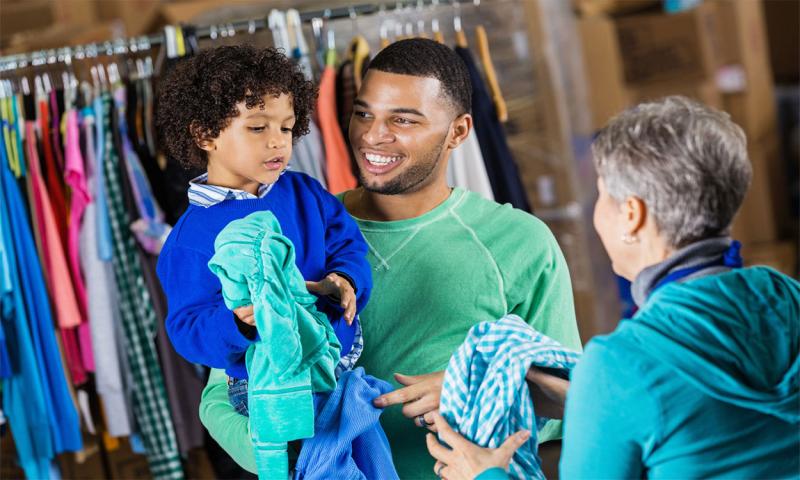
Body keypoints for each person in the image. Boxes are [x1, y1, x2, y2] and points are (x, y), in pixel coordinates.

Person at [198, 38, 582, 478]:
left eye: (403, 119)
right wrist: (290, 456)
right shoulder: (291, 232)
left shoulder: (520, 242)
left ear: (458, 131)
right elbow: (219, 396)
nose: (373, 135)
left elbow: (573, 397)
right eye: (363, 113)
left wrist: (472, 387)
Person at [426, 96, 800, 480]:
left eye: (603, 195)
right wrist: (587, 402)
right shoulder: (787, 296)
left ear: (632, 216)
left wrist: (484, 474)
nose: (596, 214)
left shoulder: (620, 363)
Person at [156, 45, 372, 418]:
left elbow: (348, 244)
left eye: (286, 127)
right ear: (206, 134)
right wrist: (237, 322)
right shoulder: (187, 241)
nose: (278, 141)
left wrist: (346, 278)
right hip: (264, 384)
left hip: (339, 358)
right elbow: (187, 327)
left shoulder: (305, 192)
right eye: (257, 127)